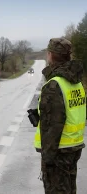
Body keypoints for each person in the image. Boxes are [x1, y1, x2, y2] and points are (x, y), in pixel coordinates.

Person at [34, 38, 86, 194]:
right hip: (73, 147)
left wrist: (47, 159)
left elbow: (54, 125)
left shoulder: (54, 84)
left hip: (58, 152)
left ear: (50, 55)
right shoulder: (76, 82)